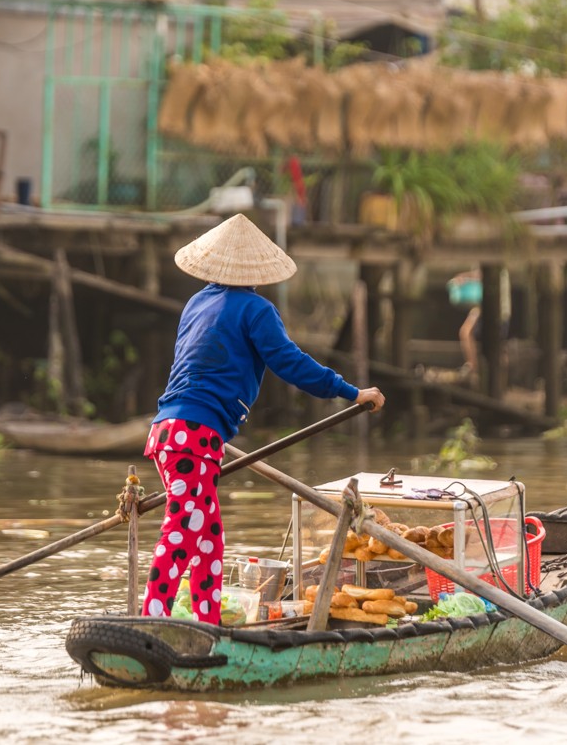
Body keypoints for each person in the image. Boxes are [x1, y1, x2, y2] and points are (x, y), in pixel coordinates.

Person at [141, 213, 385, 624]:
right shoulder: (257, 310)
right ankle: (151, 616)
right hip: (194, 435)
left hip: (169, 431)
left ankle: (207, 619)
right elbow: (291, 364)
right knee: (183, 527)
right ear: (256, 272)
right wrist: (351, 392)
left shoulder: (196, 302)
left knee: (209, 535)